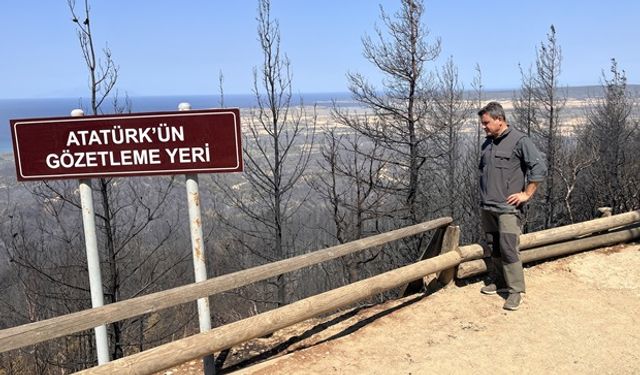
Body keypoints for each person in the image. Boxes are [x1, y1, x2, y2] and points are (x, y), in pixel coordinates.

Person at [477, 102, 547, 311]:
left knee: (509, 249)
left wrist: (526, 194)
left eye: (486, 123)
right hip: (488, 206)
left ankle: (515, 291)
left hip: (507, 208)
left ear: (499, 120)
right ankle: (499, 281)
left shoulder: (520, 140)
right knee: (494, 246)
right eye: (482, 123)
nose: (484, 127)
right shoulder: (487, 143)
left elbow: (539, 168)